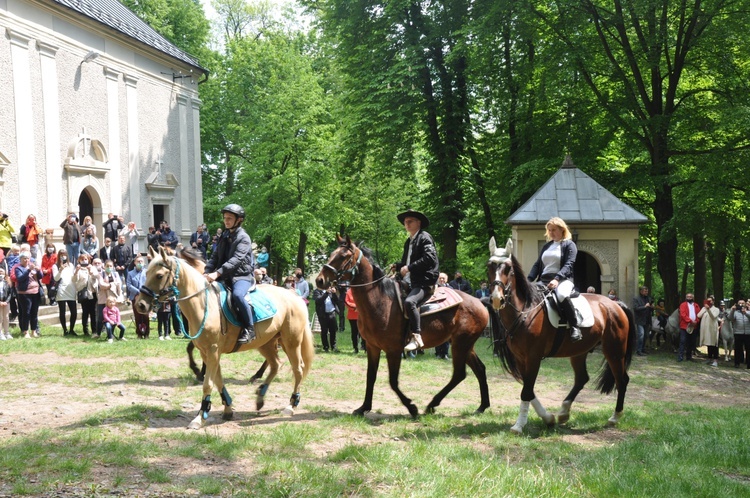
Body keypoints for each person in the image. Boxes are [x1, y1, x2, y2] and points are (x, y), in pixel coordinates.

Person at [204, 204, 256, 345]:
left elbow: (237, 260)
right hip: (224, 276)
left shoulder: (244, 238)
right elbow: (215, 256)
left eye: (229, 218)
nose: (226, 221)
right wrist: (207, 271)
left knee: (238, 295)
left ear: (238, 220)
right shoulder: (224, 236)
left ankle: (249, 329)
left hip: (241, 277)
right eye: (225, 218)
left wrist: (217, 273)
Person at [527, 217, 581, 342]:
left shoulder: (569, 244)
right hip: (544, 280)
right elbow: (537, 264)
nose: (551, 232)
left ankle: (574, 326)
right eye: (549, 230)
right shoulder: (547, 246)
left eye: (553, 230)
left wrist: (557, 279)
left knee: (561, 294)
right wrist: (528, 280)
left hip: (563, 279)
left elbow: (569, 263)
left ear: (562, 230)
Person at [393, 209, 439, 351]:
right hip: (410, 281)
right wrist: (398, 266)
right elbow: (406, 262)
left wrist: (409, 267)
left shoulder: (425, 237)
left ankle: (417, 336)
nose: (406, 224)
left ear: (418, 223)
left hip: (424, 281)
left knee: (410, 302)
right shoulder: (409, 241)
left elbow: (430, 258)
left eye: (410, 221)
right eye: (405, 222)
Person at [14, 251, 41, 339]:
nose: (26, 260)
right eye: (24, 258)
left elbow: (40, 276)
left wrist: (38, 270)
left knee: (34, 312)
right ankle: (25, 331)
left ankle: (34, 331)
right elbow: (20, 278)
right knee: (26, 312)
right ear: (20, 259)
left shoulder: (32, 267)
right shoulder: (18, 268)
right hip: (24, 294)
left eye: (28, 258)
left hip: (35, 292)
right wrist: (28, 270)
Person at [53, 249, 78, 336]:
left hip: (71, 289)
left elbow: (74, 278)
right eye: (61, 254)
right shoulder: (55, 266)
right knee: (62, 311)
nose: (63, 256)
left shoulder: (71, 265)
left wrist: (77, 271)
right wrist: (60, 270)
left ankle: (71, 329)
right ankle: (65, 330)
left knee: (74, 312)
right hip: (61, 291)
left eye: (64, 254)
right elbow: (56, 278)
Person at [74, 253, 99, 336]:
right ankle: (85, 331)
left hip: (92, 293)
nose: (84, 261)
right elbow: (74, 280)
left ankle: (94, 331)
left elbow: (96, 277)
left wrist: (90, 271)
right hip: (84, 293)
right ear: (79, 260)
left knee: (93, 313)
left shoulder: (92, 268)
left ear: (88, 260)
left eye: (86, 259)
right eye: (82, 259)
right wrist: (77, 271)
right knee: (85, 312)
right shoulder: (78, 269)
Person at [127, 256, 150, 338]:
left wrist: (143, 293)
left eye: (141, 261)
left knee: (146, 316)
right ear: (135, 263)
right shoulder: (130, 273)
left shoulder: (147, 272)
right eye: (138, 261)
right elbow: (129, 285)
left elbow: (149, 284)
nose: (140, 263)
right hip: (135, 297)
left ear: (144, 263)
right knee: (138, 316)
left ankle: (146, 333)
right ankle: (139, 333)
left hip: (145, 298)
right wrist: (138, 292)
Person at [313, 282, 339, 352]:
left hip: (332, 313)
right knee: (324, 331)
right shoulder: (317, 292)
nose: (329, 287)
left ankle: (333, 347)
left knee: (333, 331)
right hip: (323, 314)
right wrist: (326, 293)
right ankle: (326, 347)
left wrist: (334, 293)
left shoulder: (331, 292)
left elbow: (337, 301)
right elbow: (319, 301)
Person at [678, 293, 701, 362]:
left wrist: (696, 321)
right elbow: (683, 315)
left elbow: (699, 315)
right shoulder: (683, 305)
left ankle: (689, 356)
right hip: (685, 326)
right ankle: (680, 356)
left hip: (694, 326)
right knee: (683, 341)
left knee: (691, 342)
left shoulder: (696, 305)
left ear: (693, 298)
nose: (689, 298)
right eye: (687, 297)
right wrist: (690, 321)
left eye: (690, 297)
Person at [698, 296, 720, 367]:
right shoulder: (704, 308)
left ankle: (715, 360)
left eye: (710, 301)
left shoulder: (716, 309)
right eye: (708, 301)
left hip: (712, 329)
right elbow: (698, 315)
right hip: (705, 328)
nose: (709, 302)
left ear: (713, 301)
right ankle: (709, 358)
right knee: (708, 343)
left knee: (714, 344)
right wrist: (704, 309)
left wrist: (709, 310)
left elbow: (713, 316)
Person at [632, 286, 653, 356]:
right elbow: (635, 308)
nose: (646, 292)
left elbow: (650, 309)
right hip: (640, 320)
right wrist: (645, 306)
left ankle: (643, 349)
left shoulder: (648, 298)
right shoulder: (636, 298)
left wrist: (652, 307)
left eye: (647, 291)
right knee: (641, 334)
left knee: (646, 335)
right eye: (645, 291)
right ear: (641, 291)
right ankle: (639, 350)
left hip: (647, 319)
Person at [729, 298, 750, 369]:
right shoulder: (735, 312)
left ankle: (748, 364)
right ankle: (737, 363)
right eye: (739, 303)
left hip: (748, 333)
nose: (741, 304)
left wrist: (745, 313)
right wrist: (732, 310)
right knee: (738, 349)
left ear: (745, 304)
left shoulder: (749, 312)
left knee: (748, 349)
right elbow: (730, 318)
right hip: (738, 333)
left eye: (742, 303)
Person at [435, 272, 450, 359]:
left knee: (447, 334)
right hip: (437, 312)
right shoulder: (435, 288)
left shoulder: (450, 288)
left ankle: (445, 353)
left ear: (446, 279)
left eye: (443, 278)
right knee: (437, 333)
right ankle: (438, 353)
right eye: (440, 278)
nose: (441, 280)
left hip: (447, 313)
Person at [344, 286, 364, 353]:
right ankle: (355, 348)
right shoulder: (349, 291)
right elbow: (347, 302)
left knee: (364, 332)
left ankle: (365, 347)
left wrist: (360, 307)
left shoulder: (362, 290)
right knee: (354, 332)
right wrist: (356, 307)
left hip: (362, 316)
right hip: (353, 316)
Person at [0, 268, 12, 340]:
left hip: (6, 302)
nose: (0, 273)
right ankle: (0, 333)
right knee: (0, 318)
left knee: (6, 318)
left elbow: (10, 294)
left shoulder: (7, 282)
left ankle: (6, 332)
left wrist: (6, 302)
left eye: (1, 272)